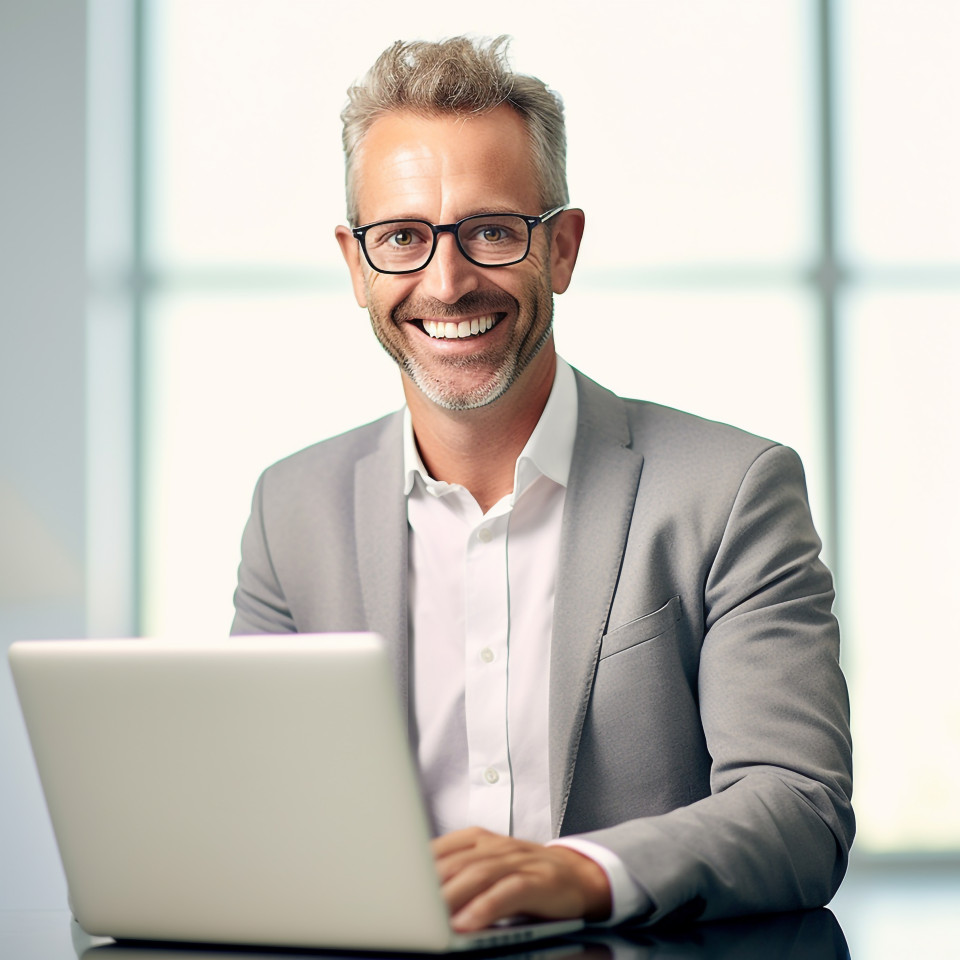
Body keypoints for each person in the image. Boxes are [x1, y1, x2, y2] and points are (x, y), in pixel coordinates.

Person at [232, 36, 854, 929]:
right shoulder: (289, 512)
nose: (446, 283)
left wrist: (582, 873)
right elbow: (258, 817)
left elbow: (800, 808)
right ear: (357, 265)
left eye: (490, 231)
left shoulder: (732, 492)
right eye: (402, 237)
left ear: (560, 248)